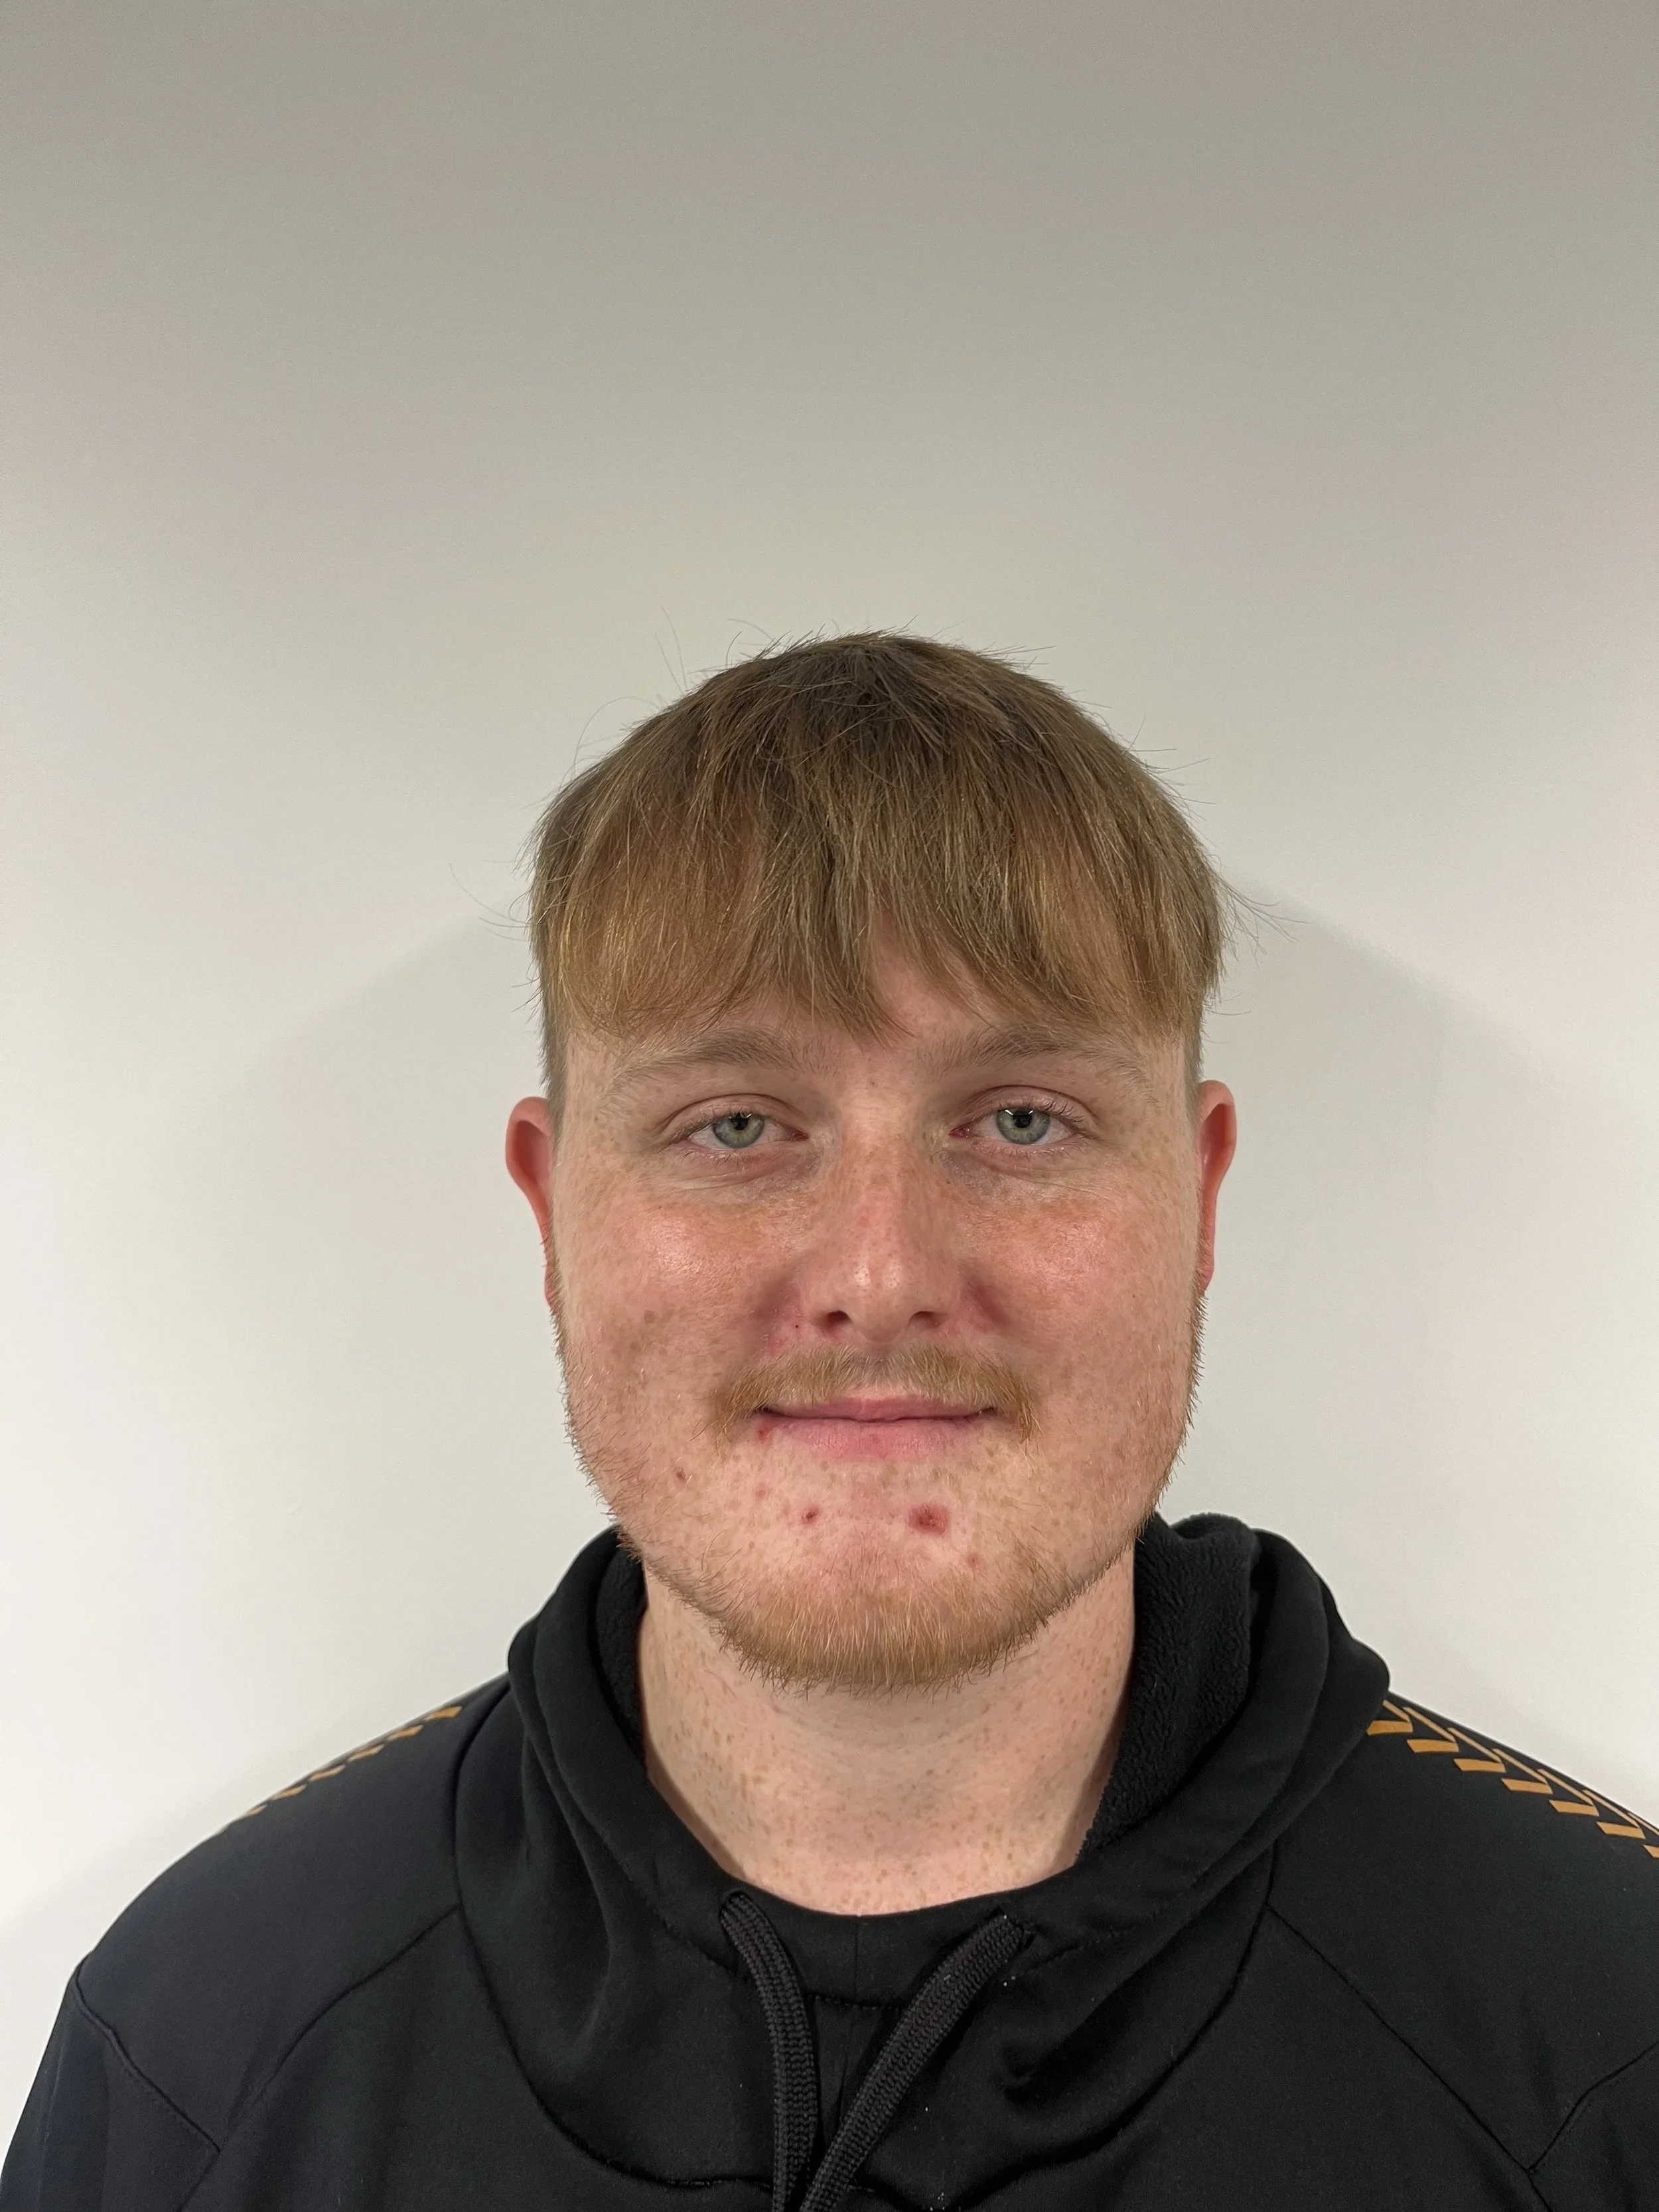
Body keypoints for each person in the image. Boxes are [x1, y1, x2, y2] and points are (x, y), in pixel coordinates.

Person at [5, 633, 1656, 2212]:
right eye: (734, 1123)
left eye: (1021, 1117)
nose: (878, 1274)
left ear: (1198, 1196)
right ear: (550, 1215)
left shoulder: (1607, 2032)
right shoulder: (201, 2049)